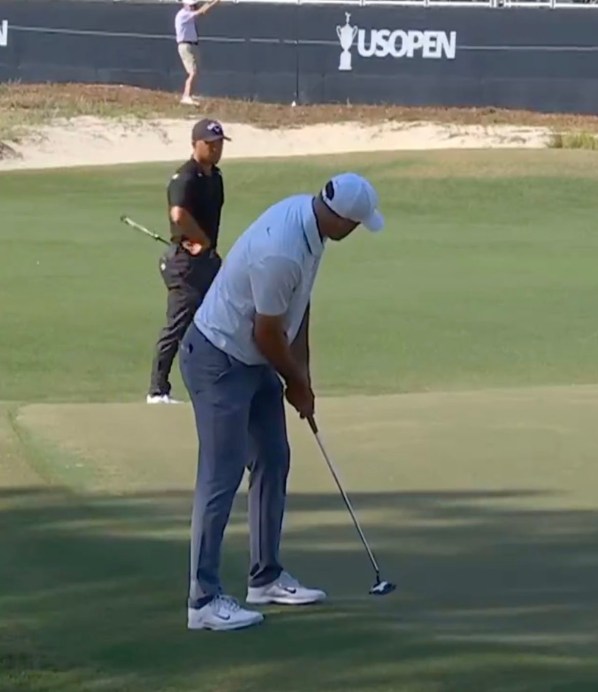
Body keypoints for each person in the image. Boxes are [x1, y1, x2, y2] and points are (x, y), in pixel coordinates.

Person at [179, 172, 385, 631]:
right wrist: (293, 378)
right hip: (218, 359)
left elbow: (298, 307)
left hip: (253, 359)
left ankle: (265, 577)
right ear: (339, 219)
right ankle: (203, 600)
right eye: (355, 224)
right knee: (221, 474)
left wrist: (303, 374)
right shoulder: (283, 249)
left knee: (273, 457)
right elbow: (266, 332)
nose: (355, 231)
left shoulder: (310, 226)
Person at [147, 118, 228, 405]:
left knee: (219, 321)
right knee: (178, 324)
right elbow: (178, 214)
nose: (216, 149)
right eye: (210, 143)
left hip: (207, 261)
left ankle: (215, 383)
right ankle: (157, 390)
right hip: (184, 262)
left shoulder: (215, 177)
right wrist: (200, 239)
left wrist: (209, 249)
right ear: (196, 144)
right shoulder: (185, 177)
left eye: (219, 144)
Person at [175, 0, 221, 106]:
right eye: (192, 5)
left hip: (192, 45)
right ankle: (186, 96)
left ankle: (190, 94)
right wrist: (214, 3)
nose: (193, 7)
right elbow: (202, 12)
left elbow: (201, 10)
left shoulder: (188, 14)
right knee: (193, 72)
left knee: (196, 72)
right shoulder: (183, 15)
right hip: (186, 46)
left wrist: (211, 2)